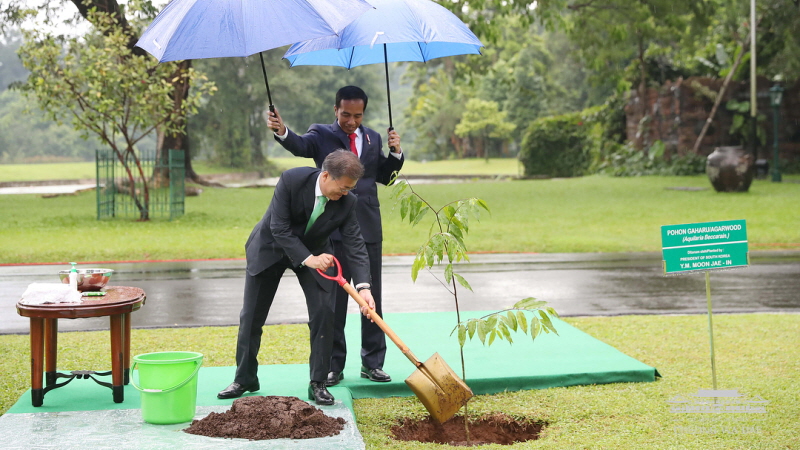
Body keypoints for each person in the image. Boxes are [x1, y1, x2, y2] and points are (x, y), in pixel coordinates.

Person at [267, 86, 403, 387]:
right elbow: (299, 146)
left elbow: (385, 177)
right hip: (331, 229)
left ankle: (373, 362)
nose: (351, 121)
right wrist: (282, 131)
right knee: (335, 301)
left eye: (357, 116)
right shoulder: (321, 135)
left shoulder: (373, 138)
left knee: (371, 297)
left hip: (368, 227)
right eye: (345, 115)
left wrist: (395, 153)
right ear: (335, 110)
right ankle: (333, 365)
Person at [217, 150, 376, 406]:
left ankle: (318, 383)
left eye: (350, 189)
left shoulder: (348, 202)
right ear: (326, 176)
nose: (345, 193)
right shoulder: (291, 180)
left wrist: (364, 288)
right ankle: (245, 378)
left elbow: (355, 244)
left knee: (325, 313)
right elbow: (278, 227)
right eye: (343, 187)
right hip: (270, 248)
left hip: (316, 252)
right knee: (251, 315)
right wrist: (308, 258)